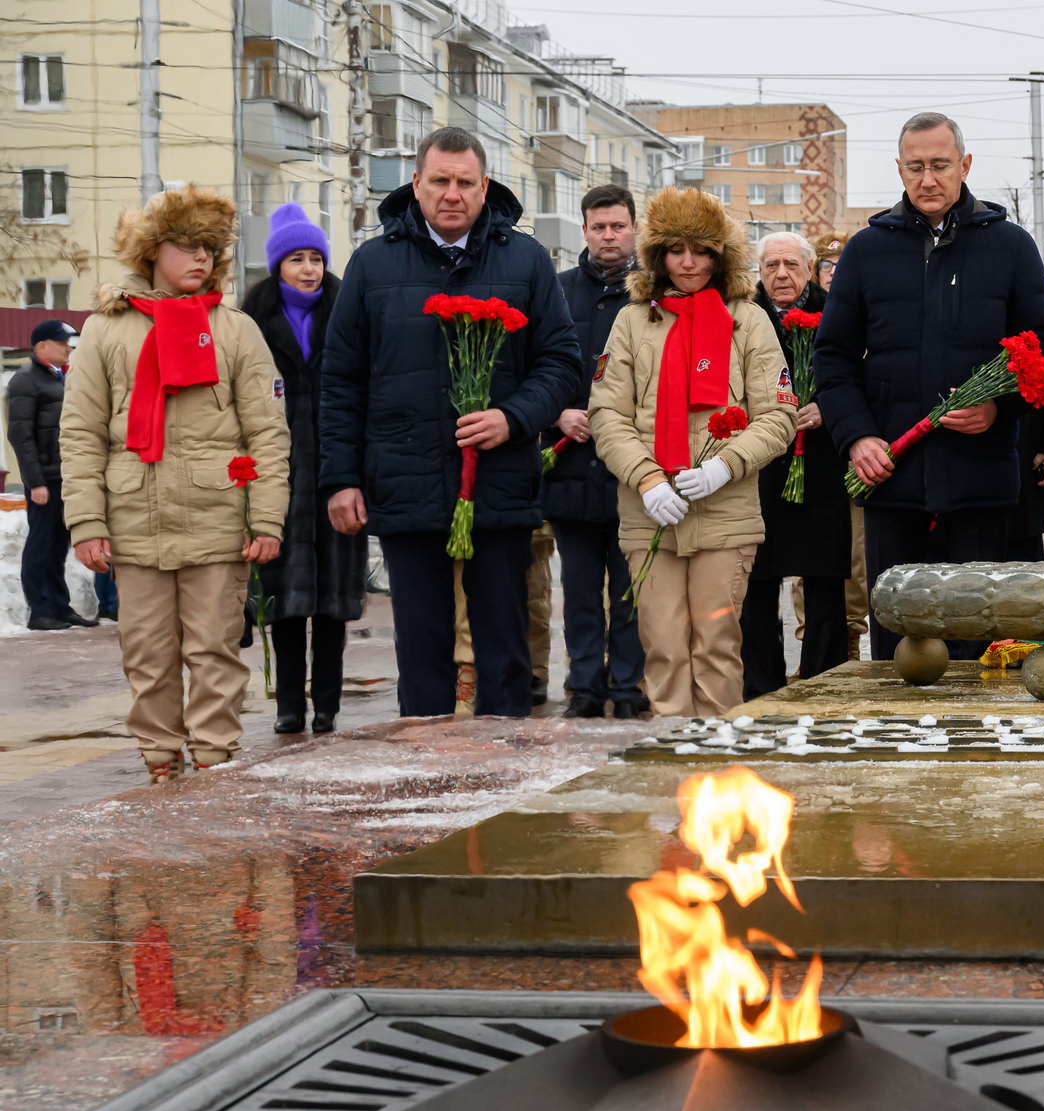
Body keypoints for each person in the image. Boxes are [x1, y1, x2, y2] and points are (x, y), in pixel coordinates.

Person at [319, 127, 579, 719]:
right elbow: (341, 382)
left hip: (499, 479)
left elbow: (561, 363)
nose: (452, 194)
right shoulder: (374, 263)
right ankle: (429, 781)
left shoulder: (527, 260)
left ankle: (508, 780)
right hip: (405, 477)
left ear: (485, 187)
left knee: (506, 649)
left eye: (466, 182)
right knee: (421, 648)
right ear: (416, 184)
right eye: (440, 181)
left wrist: (512, 418)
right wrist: (340, 478)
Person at [815, 111, 1044, 660]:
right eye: (916, 167)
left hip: (980, 479)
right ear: (899, 170)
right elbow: (831, 357)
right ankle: (895, 741)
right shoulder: (866, 249)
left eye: (940, 165)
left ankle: (972, 743)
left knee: (976, 638)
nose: (928, 179)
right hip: (891, 476)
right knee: (897, 643)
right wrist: (857, 436)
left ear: (965, 165)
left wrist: (998, 410)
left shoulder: (1010, 245)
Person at [59, 186, 290, 781]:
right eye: (186, 245)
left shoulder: (236, 330)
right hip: (135, 519)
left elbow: (268, 433)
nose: (201, 259)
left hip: (218, 518)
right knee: (148, 654)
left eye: (210, 249)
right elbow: (80, 433)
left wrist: (265, 519)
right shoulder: (107, 331)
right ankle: (161, 762)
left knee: (214, 650)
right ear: (150, 250)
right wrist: (86, 522)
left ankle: (215, 761)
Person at [591, 186, 796, 716]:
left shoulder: (747, 319)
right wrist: (647, 479)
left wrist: (722, 468)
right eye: (676, 249)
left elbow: (778, 415)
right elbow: (607, 414)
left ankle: (716, 776)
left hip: (725, 512)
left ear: (719, 255)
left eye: (701, 250)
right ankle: (673, 774)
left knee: (717, 649)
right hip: (649, 511)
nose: (688, 262)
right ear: (657, 254)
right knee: (662, 649)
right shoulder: (633, 320)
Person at [238, 204, 366, 735]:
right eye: (297, 259)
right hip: (279, 477)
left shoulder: (346, 311)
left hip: (337, 469)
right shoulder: (251, 322)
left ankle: (329, 706)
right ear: (277, 265)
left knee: (332, 604)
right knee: (284, 601)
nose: (309, 268)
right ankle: (289, 705)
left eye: (316, 258)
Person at [547, 183, 646, 720]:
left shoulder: (654, 296)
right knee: (580, 590)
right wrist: (557, 414)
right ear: (583, 230)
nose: (609, 236)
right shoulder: (557, 292)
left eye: (618, 226)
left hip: (634, 471)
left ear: (634, 228)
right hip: (570, 466)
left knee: (633, 589)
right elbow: (540, 367)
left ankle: (629, 688)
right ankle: (584, 688)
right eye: (599, 227)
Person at [741, 231, 850, 699]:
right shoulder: (743, 314)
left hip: (820, 458)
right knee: (758, 577)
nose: (781, 275)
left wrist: (829, 404)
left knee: (823, 577)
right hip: (759, 461)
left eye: (790, 265)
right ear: (758, 273)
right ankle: (761, 685)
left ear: (809, 268)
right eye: (771, 266)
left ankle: (822, 680)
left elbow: (854, 369)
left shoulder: (838, 309)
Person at [8, 319, 100, 631]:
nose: (67, 348)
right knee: (40, 545)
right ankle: (40, 610)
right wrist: (35, 483)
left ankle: (60, 608)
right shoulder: (26, 380)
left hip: (64, 477)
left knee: (59, 546)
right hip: (44, 480)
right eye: (62, 343)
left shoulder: (58, 378)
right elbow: (20, 437)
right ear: (41, 345)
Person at [811, 229, 867, 661]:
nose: (832, 274)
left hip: (860, 445)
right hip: (813, 457)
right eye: (825, 266)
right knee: (814, 558)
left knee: (858, 553)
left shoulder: (864, 308)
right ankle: (828, 643)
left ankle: (857, 633)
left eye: (839, 266)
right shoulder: (804, 313)